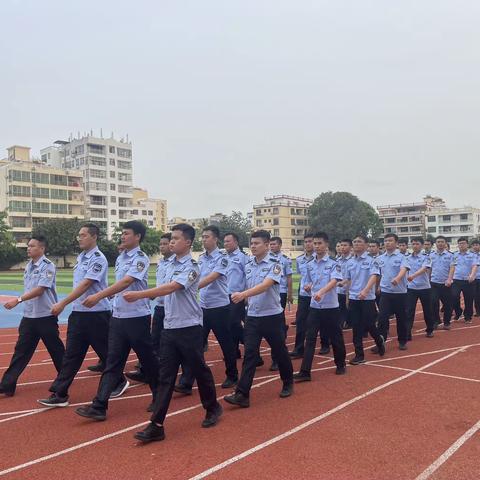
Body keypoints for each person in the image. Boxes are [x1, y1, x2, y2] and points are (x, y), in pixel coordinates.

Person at [123, 223, 222, 443]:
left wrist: (139, 295)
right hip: (169, 328)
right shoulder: (167, 265)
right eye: (171, 239)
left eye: (176, 238)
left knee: (199, 370)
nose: (172, 242)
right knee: (166, 377)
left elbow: (171, 288)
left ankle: (212, 407)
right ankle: (157, 425)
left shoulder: (192, 267)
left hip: (189, 328)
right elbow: (161, 290)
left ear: (188, 242)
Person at [75, 220, 159, 421]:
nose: (123, 235)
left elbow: (126, 281)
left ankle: (160, 396)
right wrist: (112, 296)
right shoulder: (121, 257)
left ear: (137, 236)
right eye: (122, 232)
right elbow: (120, 284)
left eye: (127, 233)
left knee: (148, 360)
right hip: (119, 317)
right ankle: (99, 405)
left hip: (137, 317)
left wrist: (99, 295)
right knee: (112, 362)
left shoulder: (140, 258)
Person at [38, 224, 127, 407]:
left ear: (94, 237)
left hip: (97, 314)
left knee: (106, 352)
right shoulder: (81, 257)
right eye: (78, 235)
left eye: (83, 235)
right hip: (79, 314)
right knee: (71, 355)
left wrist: (63, 302)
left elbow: (86, 284)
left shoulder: (98, 258)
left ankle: (119, 380)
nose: (79, 238)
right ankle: (60, 393)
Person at [224, 230, 294, 408]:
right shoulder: (248, 265)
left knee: (279, 351)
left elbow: (265, 285)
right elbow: (248, 285)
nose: (253, 246)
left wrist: (243, 295)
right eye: (251, 243)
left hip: (272, 316)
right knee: (250, 355)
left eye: (257, 243)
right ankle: (242, 394)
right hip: (253, 316)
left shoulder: (274, 264)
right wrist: (244, 301)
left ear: (267, 244)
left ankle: (288, 381)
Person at [0, 235, 65, 397]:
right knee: (21, 351)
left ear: (42, 249)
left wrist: (18, 299)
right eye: (28, 246)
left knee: (56, 350)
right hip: (29, 317)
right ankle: (7, 384)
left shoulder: (47, 266)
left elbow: (41, 289)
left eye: (32, 246)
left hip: (45, 316)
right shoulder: (29, 266)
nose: (28, 248)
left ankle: (65, 380)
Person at [178, 226, 238, 391]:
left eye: (207, 237)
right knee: (196, 345)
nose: (203, 240)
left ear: (215, 239)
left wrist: (189, 287)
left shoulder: (223, 258)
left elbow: (213, 277)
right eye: (202, 237)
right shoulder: (202, 258)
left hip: (219, 307)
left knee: (226, 343)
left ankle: (232, 375)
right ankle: (187, 381)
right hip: (203, 307)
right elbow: (196, 276)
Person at [293, 232, 347, 382]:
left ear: (326, 245)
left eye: (319, 243)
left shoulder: (333, 263)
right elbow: (308, 282)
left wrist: (321, 291)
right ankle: (305, 371)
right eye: (314, 243)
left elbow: (334, 281)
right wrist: (309, 288)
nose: (316, 246)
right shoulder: (309, 265)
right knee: (310, 338)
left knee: (336, 337)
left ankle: (340, 364)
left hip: (330, 307)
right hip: (315, 306)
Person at [126, 233, 174, 383]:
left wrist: (142, 294)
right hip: (159, 307)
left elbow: (171, 286)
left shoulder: (176, 263)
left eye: (165, 244)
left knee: (172, 344)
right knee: (153, 341)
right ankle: (146, 371)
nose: (162, 247)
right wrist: (153, 294)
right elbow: (161, 284)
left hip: (172, 309)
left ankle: (182, 375)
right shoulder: (161, 262)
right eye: (161, 244)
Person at [344, 235, 385, 364]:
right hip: (354, 298)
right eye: (354, 242)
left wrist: (366, 290)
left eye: (359, 242)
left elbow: (374, 276)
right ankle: (359, 355)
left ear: (366, 245)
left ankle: (379, 341)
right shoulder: (349, 262)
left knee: (369, 324)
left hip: (367, 298)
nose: (356, 244)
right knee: (356, 327)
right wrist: (346, 294)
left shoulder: (372, 260)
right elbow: (349, 279)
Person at [372, 233, 409, 352]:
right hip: (385, 292)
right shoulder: (380, 259)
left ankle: (402, 341)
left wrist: (398, 278)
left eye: (390, 241)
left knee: (401, 318)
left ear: (396, 243)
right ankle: (380, 342)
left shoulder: (402, 257)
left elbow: (404, 269)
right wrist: (377, 287)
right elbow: (377, 275)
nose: (387, 243)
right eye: (386, 241)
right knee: (382, 318)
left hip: (400, 293)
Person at [269, 236, 293, 371]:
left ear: (280, 245)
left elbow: (289, 277)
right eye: (270, 244)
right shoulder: (265, 259)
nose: (272, 246)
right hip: (268, 293)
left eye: (274, 244)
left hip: (281, 292)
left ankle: (276, 359)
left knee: (277, 322)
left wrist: (290, 294)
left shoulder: (285, 260)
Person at [289, 233, 315, 359]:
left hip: (318, 295)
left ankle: (326, 344)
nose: (308, 244)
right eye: (306, 242)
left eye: (310, 241)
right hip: (304, 294)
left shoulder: (320, 259)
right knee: (300, 321)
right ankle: (299, 348)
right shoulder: (299, 259)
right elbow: (300, 275)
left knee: (321, 322)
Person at [223, 232, 248, 358]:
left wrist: (246, 295)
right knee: (231, 325)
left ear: (236, 242)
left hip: (237, 296)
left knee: (233, 323)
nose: (225, 243)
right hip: (224, 296)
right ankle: (235, 351)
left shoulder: (243, 257)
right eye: (225, 241)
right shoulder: (223, 257)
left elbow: (248, 276)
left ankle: (249, 347)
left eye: (228, 241)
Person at [405, 237, 434, 341]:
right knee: (409, 311)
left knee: (427, 310)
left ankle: (430, 329)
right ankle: (407, 332)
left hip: (424, 287)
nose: (415, 246)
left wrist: (413, 275)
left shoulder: (426, 257)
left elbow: (424, 268)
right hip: (411, 288)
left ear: (421, 245)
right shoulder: (407, 257)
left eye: (417, 244)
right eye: (413, 244)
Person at [446, 237, 479, 324]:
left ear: (467, 244)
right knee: (454, 296)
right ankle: (458, 312)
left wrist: (472, 275)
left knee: (469, 299)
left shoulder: (472, 255)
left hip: (469, 281)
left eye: (463, 243)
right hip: (456, 280)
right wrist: (449, 278)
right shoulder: (454, 255)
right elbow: (451, 267)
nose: (461, 245)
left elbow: (475, 266)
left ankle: (468, 316)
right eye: (460, 243)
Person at [430, 236, 454, 330]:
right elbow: (429, 268)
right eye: (438, 242)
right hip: (434, 283)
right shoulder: (431, 255)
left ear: (445, 243)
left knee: (448, 304)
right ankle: (436, 321)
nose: (440, 243)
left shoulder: (450, 255)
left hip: (446, 284)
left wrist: (449, 279)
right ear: (435, 244)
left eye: (442, 242)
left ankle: (447, 322)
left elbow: (452, 268)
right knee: (433, 303)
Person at [337, 239, 353, 329]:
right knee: (340, 312)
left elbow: (352, 277)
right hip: (338, 291)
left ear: (350, 247)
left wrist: (344, 283)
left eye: (345, 245)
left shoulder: (353, 260)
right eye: (341, 245)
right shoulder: (337, 260)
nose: (342, 247)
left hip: (350, 291)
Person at [471, 239, 480, 317]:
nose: (475, 246)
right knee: (475, 295)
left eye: (477, 245)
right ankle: (478, 311)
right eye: (473, 245)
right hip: (473, 278)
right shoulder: (470, 255)